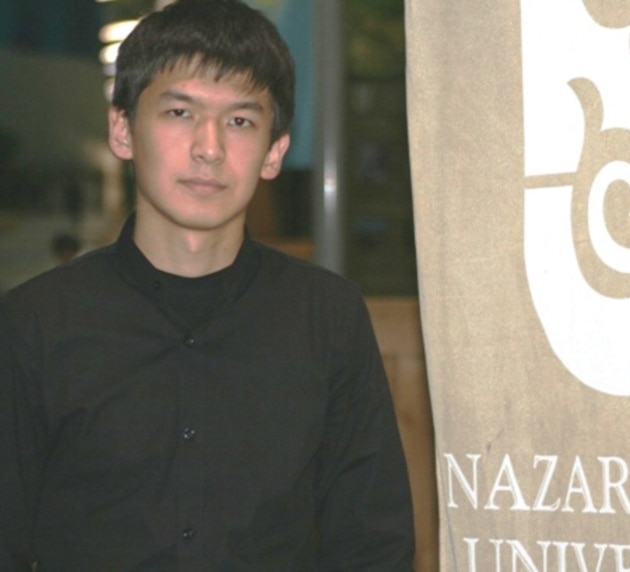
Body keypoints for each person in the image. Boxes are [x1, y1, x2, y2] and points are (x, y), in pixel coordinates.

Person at [0, 1, 415, 569]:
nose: (210, 148)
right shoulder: (36, 323)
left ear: (274, 151)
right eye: (179, 112)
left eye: (240, 121)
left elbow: (373, 546)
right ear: (122, 129)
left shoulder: (327, 316)